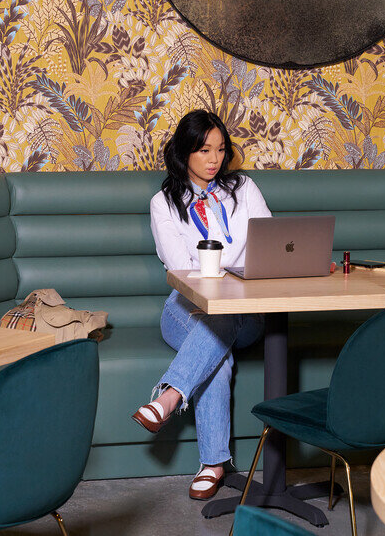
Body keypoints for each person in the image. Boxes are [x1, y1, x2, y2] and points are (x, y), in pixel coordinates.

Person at [132, 109, 271, 501]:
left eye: (221, 149)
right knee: (218, 351)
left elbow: (269, 245)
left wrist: (218, 265)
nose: (214, 159)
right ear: (184, 152)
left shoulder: (244, 189)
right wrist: (228, 264)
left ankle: (169, 397)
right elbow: (181, 269)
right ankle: (214, 464)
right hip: (184, 307)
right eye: (204, 150)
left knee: (221, 317)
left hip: (244, 311)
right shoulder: (164, 203)